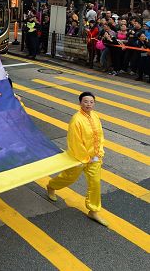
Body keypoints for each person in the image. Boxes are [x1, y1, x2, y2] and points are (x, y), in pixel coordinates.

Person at [47, 92, 107, 226]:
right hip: (79, 158)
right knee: (69, 177)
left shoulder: (96, 116)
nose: (88, 104)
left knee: (95, 183)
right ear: (80, 103)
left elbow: (100, 135)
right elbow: (75, 142)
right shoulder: (76, 119)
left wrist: (99, 152)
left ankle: (93, 210)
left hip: (95, 158)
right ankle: (52, 186)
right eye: (85, 102)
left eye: (91, 102)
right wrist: (86, 157)